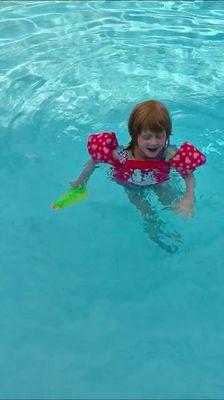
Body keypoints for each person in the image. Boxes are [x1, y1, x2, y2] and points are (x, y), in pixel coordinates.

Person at [70, 100, 206, 251]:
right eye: (147, 137)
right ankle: (158, 237)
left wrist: (189, 197)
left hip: (159, 182)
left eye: (159, 136)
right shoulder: (122, 155)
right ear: (135, 135)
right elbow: (95, 160)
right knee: (147, 214)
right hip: (132, 187)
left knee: (172, 202)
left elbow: (188, 175)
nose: (153, 142)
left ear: (168, 134)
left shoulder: (169, 154)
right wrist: (81, 181)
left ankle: (185, 239)